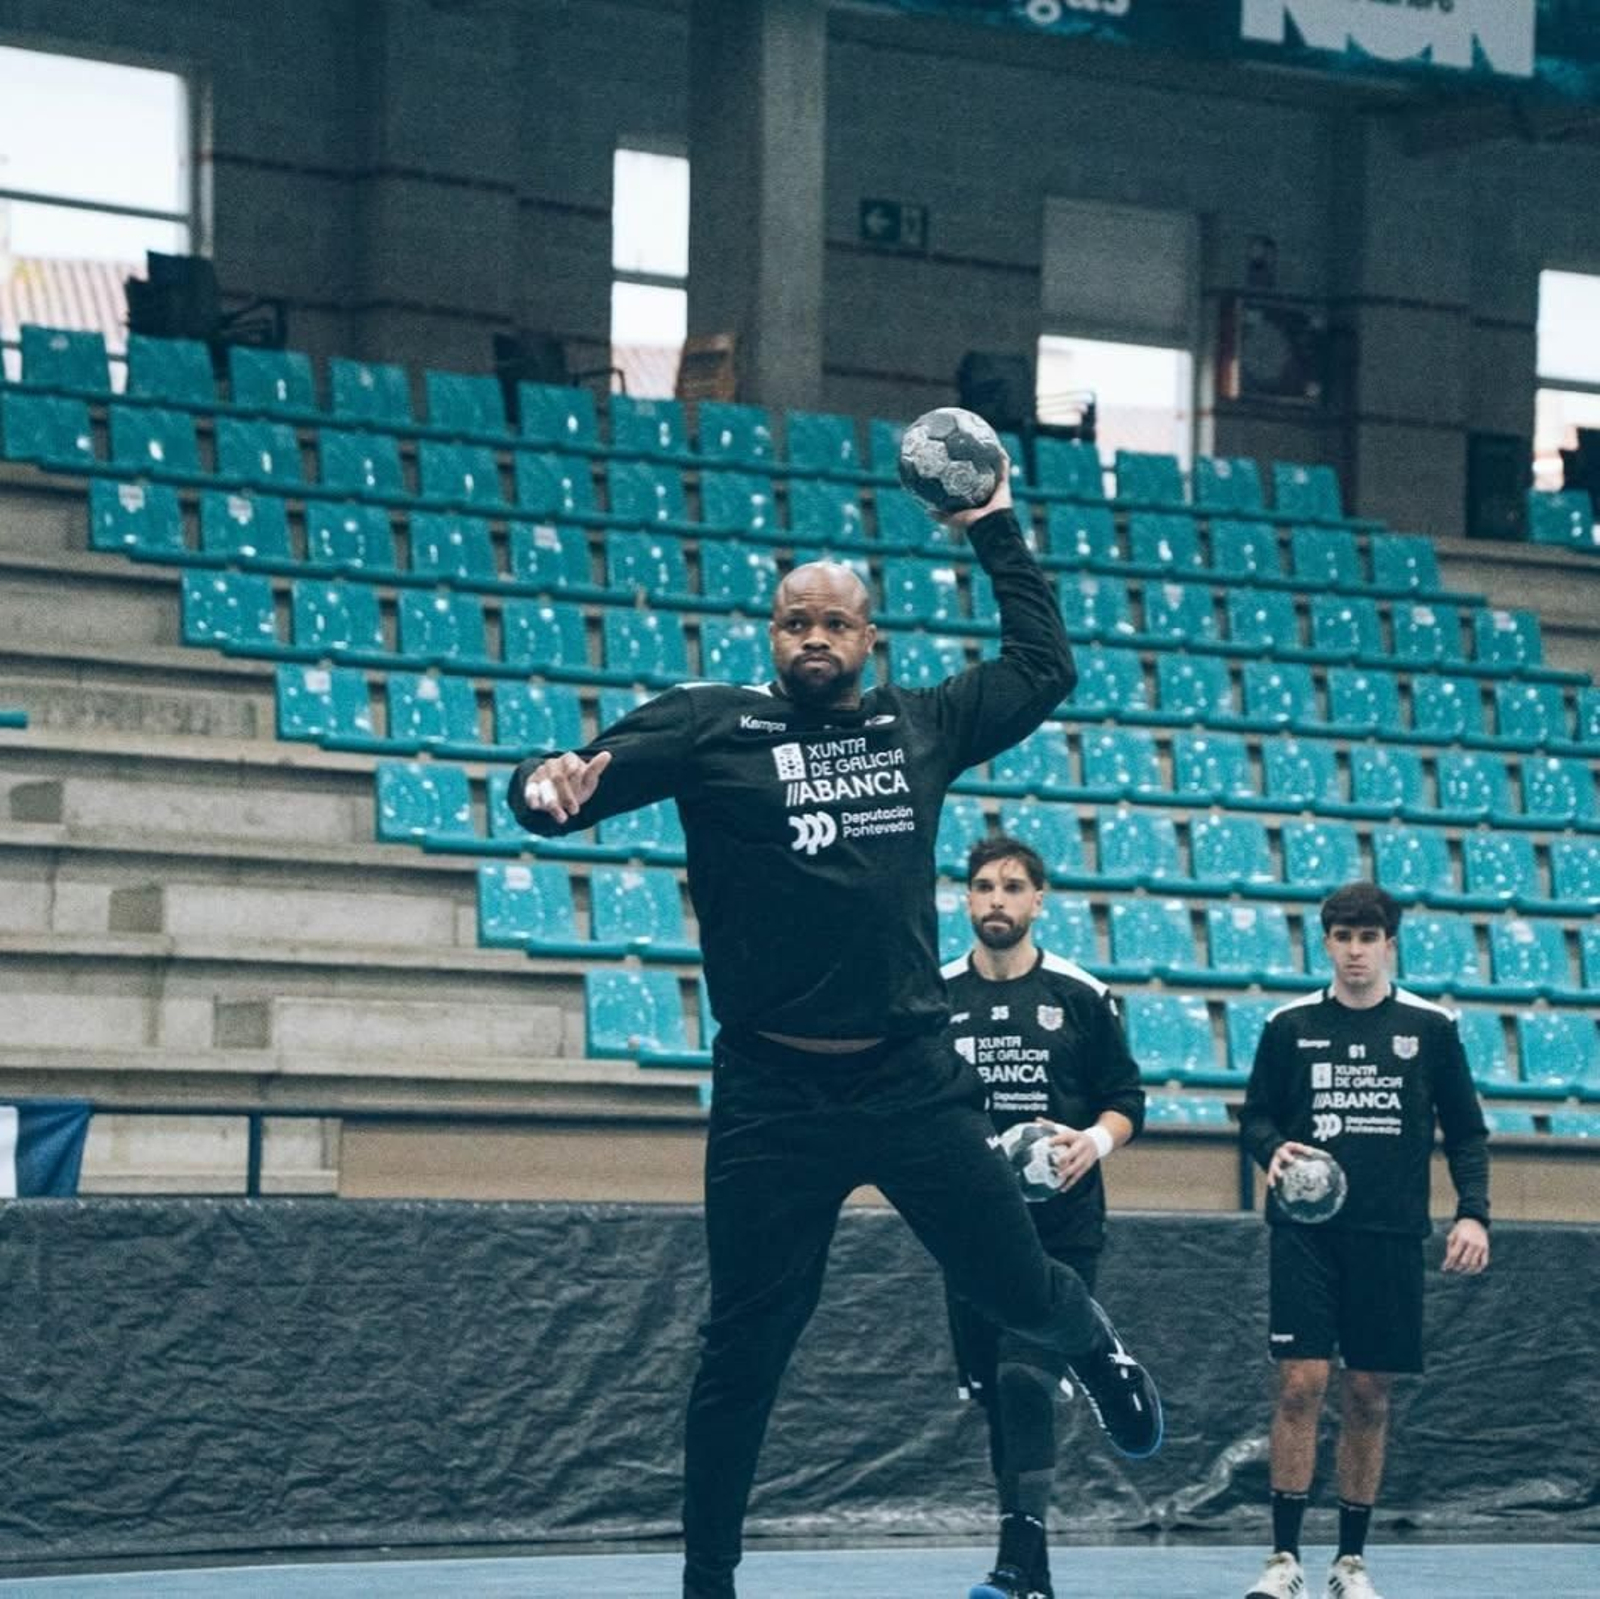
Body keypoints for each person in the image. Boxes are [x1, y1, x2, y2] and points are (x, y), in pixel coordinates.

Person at [508, 464, 1161, 1599]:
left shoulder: (924, 727)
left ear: (871, 638)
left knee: (1016, 1286)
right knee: (742, 1352)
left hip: (910, 1082)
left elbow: (1044, 667)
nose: (814, 636)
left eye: (835, 622)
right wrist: (541, 789)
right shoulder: (711, 725)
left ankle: (1095, 1350)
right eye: (795, 621)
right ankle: (707, 1580)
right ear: (772, 634)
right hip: (772, 1098)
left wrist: (991, 524)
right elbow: (566, 785)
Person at [1239, 882, 1491, 1599]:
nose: (1355, 951)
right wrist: (1271, 1150)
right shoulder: (1289, 1026)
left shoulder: (1430, 1028)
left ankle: (1349, 1562)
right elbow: (1255, 1117)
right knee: (1300, 1381)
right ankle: (1283, 1560)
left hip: (1389, 1233)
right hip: (1306, 1233)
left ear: (1390, 943)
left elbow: (1466, 1131)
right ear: (1326, 943)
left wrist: (1473, 1213)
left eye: (1368, 938)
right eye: (1343, 938)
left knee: (1369, 1391)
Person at [941, 833, 1148, 1599]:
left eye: (1012, 886)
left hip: (1061, 1226)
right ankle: (1035, 1581)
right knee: (999, 1395)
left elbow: (1127, 1101)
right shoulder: (935, 997)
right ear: (966, 898)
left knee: (1027, 1378)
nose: (997, 898)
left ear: (1037, 900)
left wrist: (1094, 1142)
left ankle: (1009, 1559)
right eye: (984, 886)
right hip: (970, 1228)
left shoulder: (1079, 994)